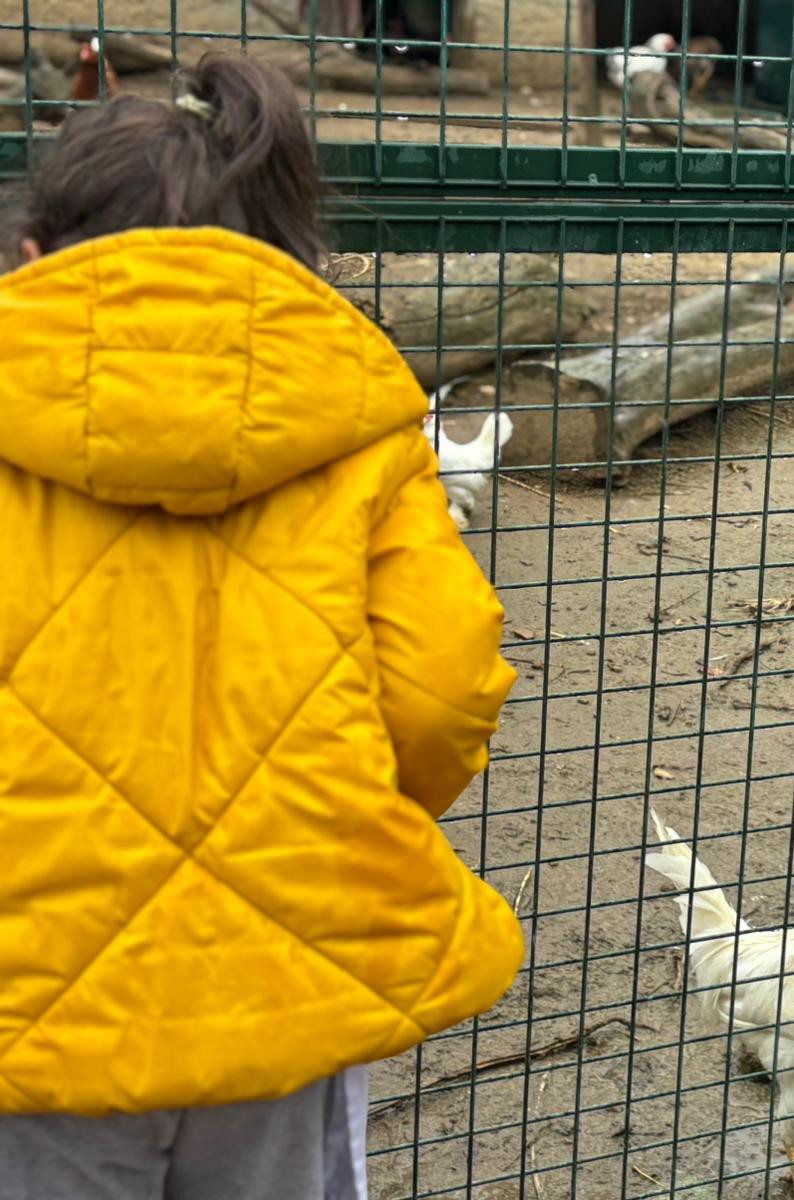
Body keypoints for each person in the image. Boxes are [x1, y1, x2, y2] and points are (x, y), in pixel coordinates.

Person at [0, 53, 524, 1199]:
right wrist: (324, 802)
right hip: (289, 974)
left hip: (29, 1004)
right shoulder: (360, 426)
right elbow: (440, 691)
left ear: (32, 260)